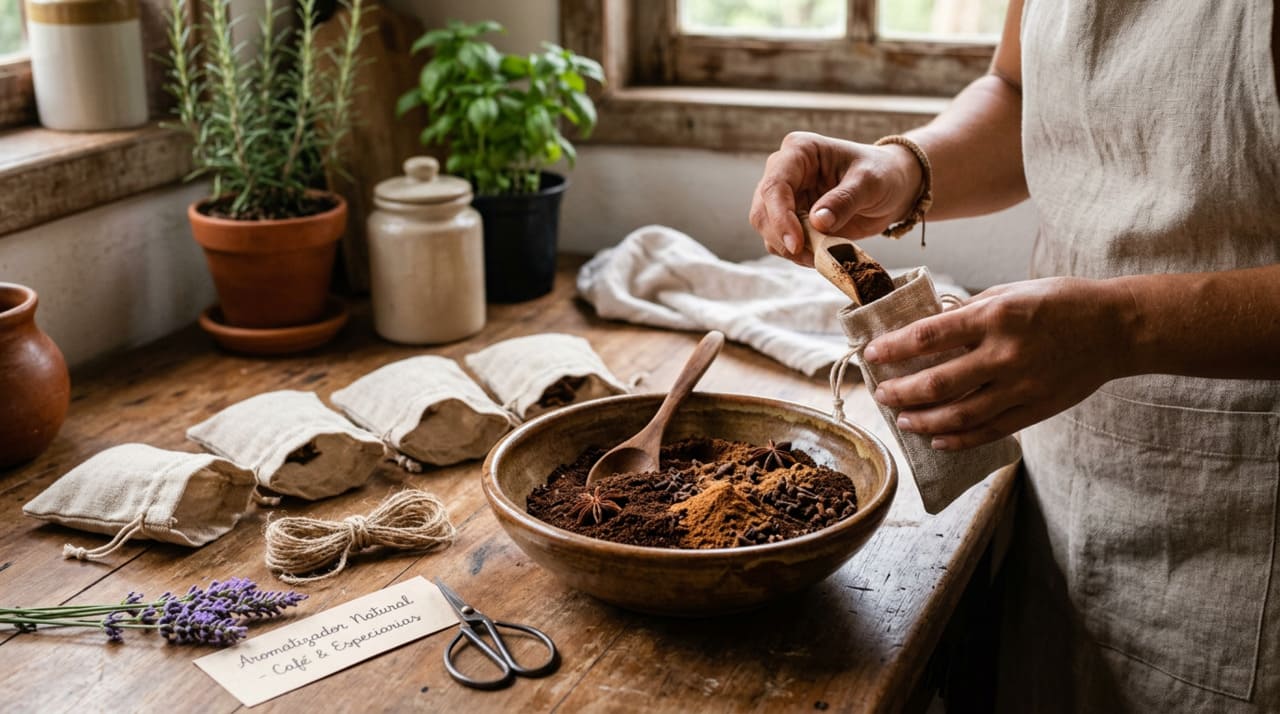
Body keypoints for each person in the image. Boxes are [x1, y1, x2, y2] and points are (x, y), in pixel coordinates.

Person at [750, 1, 1280, 711]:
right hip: (1066, 480)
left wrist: (1122, 326)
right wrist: (902, 168)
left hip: (1246, 525)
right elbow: (1022, 91)